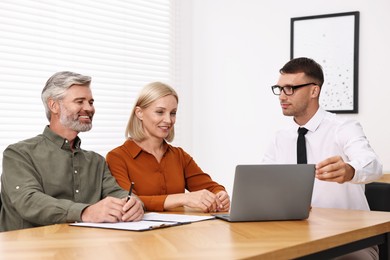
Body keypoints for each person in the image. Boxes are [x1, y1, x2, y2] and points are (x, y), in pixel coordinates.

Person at [263, 57, 382, 259]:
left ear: (314, 90)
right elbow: (262, 183)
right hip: (295, 238)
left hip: (350, 240)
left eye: (290, 88)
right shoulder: (280, 137)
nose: (282, 96)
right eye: (279, 89)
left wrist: (350, 171)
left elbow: (373, 165)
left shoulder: (343, 128)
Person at [0, 71, 144, 232]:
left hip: (82, 249)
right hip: (30, 251)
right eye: (80, 101)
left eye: (91, 102)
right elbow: (28, 201)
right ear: (54, 105)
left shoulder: (96, 161)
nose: (89, 108)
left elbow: (115, 192)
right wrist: (85, 212)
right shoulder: (18, 154)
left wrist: (133, 203)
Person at [106, 82, 230, 213]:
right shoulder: (117, 157)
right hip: (140, 232)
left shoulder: (180, 156)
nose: (168, 120)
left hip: (177, 231)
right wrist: (183, 198)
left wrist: (220, 195)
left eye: (173, 113)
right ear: (139, 113)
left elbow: (211, 187)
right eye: (160, 112)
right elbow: (128, 201)